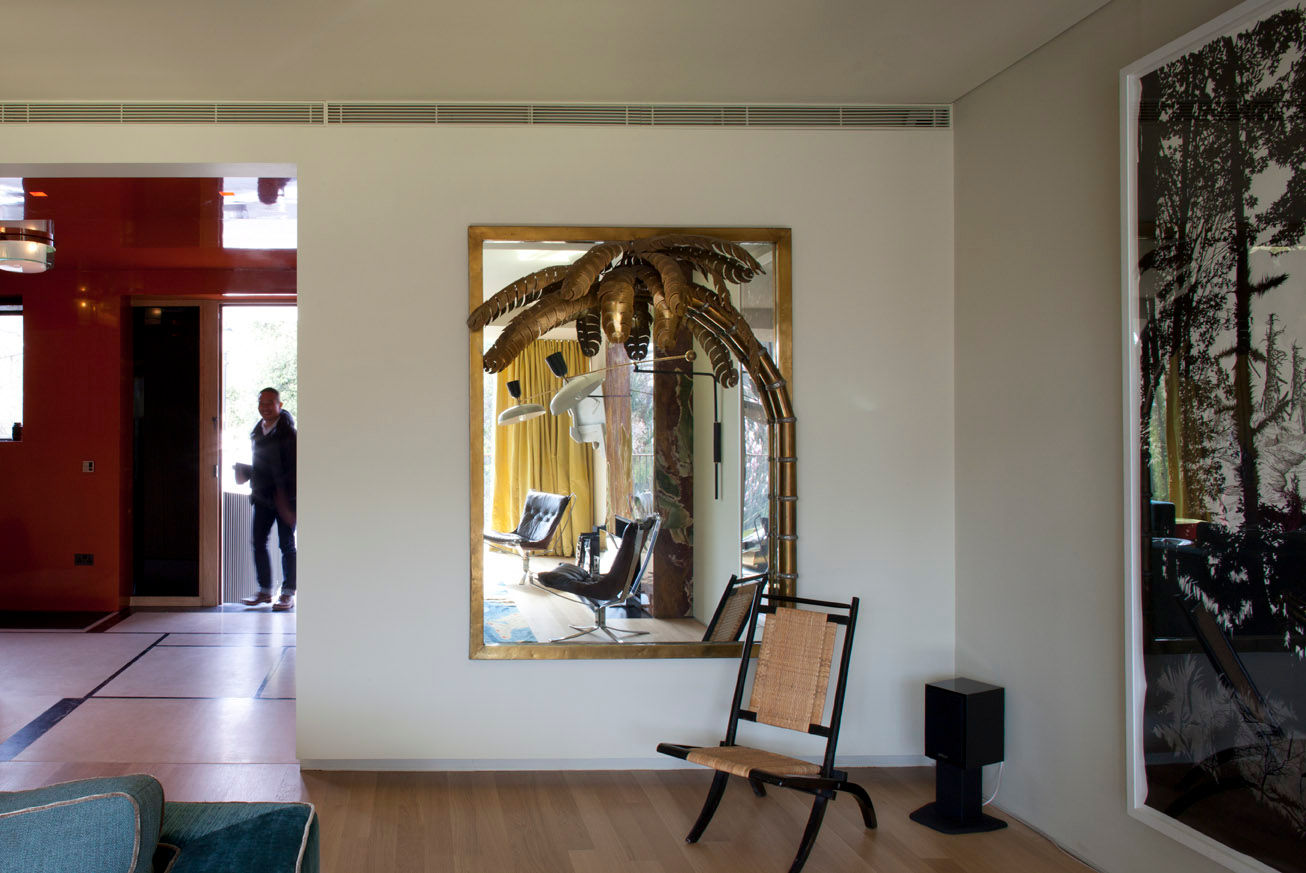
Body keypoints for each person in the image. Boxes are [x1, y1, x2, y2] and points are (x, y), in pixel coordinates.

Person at [238, 387, 297, 610]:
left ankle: (288, 593)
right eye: (261, 404)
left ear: (279, 405)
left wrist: (287, 499)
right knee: (258, 542)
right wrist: (247, 473)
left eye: (269, 403)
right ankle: (265, 591)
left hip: (286, 498)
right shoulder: (257, 431)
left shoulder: (289, 433)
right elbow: (264, 466)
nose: (265, 408)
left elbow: (292, 468)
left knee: (286, 545)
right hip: (262, 497)